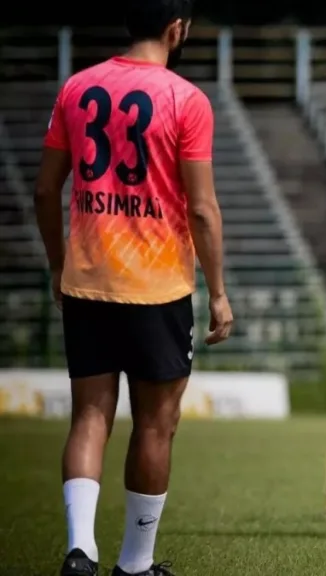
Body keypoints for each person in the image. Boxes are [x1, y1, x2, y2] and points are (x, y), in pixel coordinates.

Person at [35, 1, 234, 574]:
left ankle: (79, 550)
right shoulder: (185, 99)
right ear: (179, 29)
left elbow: (47, 191)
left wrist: (58, 265)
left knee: (89, 417)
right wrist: (217, 291)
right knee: (155, 423)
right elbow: (201, 208)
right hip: (158, 288)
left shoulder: (77, 87)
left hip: (87, 281)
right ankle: (135, 564)